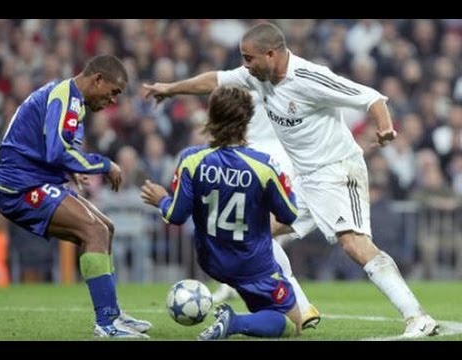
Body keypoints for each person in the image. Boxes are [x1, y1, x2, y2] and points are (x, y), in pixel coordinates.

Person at [143, 22, 439, 338]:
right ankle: (301, 306)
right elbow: (215, 80)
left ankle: (417, 317)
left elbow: (371, 98)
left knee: (353, 243)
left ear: (271, 54)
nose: (245, 65)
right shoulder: (258, 76)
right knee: (259, 232)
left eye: (249, 58)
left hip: (338, 172)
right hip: (306, 178)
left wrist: (384, 128)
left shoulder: (310, 77)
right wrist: (170, 88)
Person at [0, 54, 152, 338]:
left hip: (33, 180)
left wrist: (72, 171)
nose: (113, 100)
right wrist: (105, 164)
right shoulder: (66, 97)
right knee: (94, 231)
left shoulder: (71, 99)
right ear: (98, 79)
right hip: (19, 186)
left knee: (106, 228)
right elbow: (56, 151)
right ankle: (106, 323)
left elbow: (55, 148)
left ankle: (112, 312)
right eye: (113, 92)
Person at [141, 85, 303, 340]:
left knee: (263, 310)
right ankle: (234, 322)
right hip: (253, 265)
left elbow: (176, 215)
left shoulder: (191, 159)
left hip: (212, 261)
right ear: (248, 119)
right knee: (293, 325)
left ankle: (246, 316)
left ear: (211, 117)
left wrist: (161, 200)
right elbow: (290, 214)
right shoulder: (264, 165)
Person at [210, 90, 320, 332]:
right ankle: (294, 302)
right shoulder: (280, 86)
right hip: (274, 157)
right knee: (262, 233)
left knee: (256, 233)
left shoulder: (249, 88)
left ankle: (287, 299)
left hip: (256, 155)